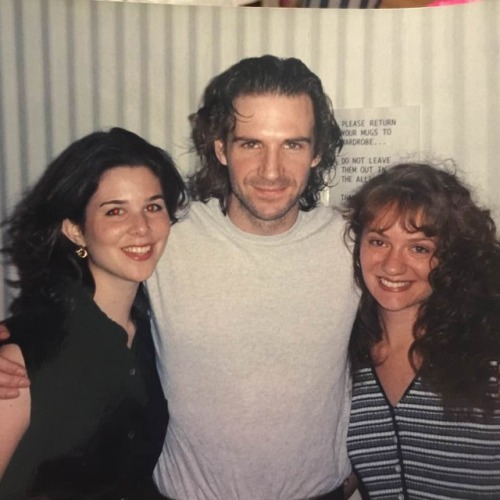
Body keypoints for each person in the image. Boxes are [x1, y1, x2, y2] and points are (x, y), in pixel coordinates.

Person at [0, 56, 359, 499]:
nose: (271, 170)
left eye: (293, 144)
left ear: (317, 151)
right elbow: (78, 290)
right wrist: (16, 343)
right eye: (250, 144)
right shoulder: (167, 235)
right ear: (221, 148)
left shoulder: (354, 245)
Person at [0, 127, 187, 499]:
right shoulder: (23, 358)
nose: (142, 228)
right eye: (115, 211)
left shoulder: (157, 333)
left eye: (153, 206)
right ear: (75, 230)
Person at [344, 163, 500, 499]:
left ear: (450, 257)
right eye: (378, 241)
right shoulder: (349, 358)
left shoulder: (490, 353)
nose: (392, 265)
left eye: (419, 248)